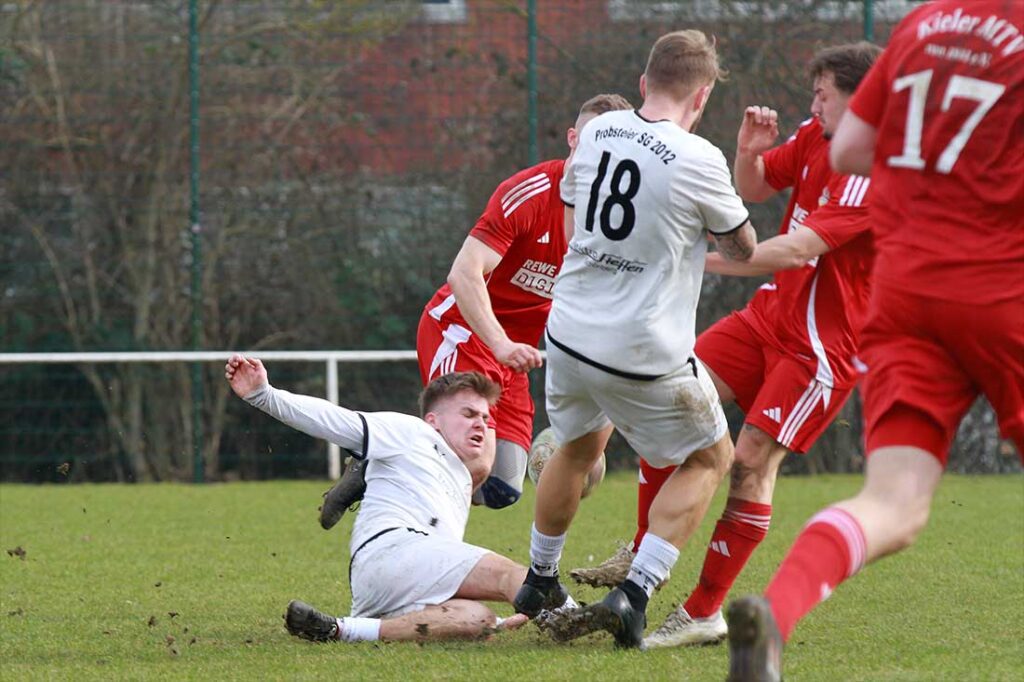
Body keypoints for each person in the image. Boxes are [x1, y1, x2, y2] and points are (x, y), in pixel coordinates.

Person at [726, 2, 1024, 679]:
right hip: (1001, 286)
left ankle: (777, 610)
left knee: (893, 501)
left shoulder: (922, 24)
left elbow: (854, 148)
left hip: (907, 288)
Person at [570, 42, 882, 651]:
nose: (813, 102)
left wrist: (689, 257)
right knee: (672, 402)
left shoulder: (873, 170)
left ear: (862, 97)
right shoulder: (816, 135)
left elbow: (794, 249)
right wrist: (748, 152)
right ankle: (638, 560)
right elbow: (757, 187)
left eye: (824, 93)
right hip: (767, 316)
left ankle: (703, 611)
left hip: (820, 347)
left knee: (748, 464)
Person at [514, 30, 758, 649]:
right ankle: (635, 593)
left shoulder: (598, 131)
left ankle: (540, 577)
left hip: (568, 331)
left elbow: (575, 213)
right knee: (711, 457)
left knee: (575, 446)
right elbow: (742, 246)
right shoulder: (699, 157)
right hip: (642, 347)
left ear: (645, 83)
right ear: (701, 97)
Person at [317, 94, 633, 528]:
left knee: (501, 487)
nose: (601, 156)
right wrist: (499, 343)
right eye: (594, 142)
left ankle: (380, 464)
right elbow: (465, 273)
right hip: (461, 329)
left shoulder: (617, 220)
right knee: (471, 464)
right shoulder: (529, 193)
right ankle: (408, 550)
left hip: (514, 355)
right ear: (573, 139)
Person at [225, 355, 575, 642]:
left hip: (379, 585)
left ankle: (341, 630)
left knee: (479, 621)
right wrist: (263, 395)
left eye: (485, 418)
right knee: (512, 575)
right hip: (394, 549)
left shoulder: (457, 477)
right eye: (468, 415)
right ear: (434, 421)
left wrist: (499, 623)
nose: (482, 425)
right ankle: (578, 618)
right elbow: (332, 420)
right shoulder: (412, 432)